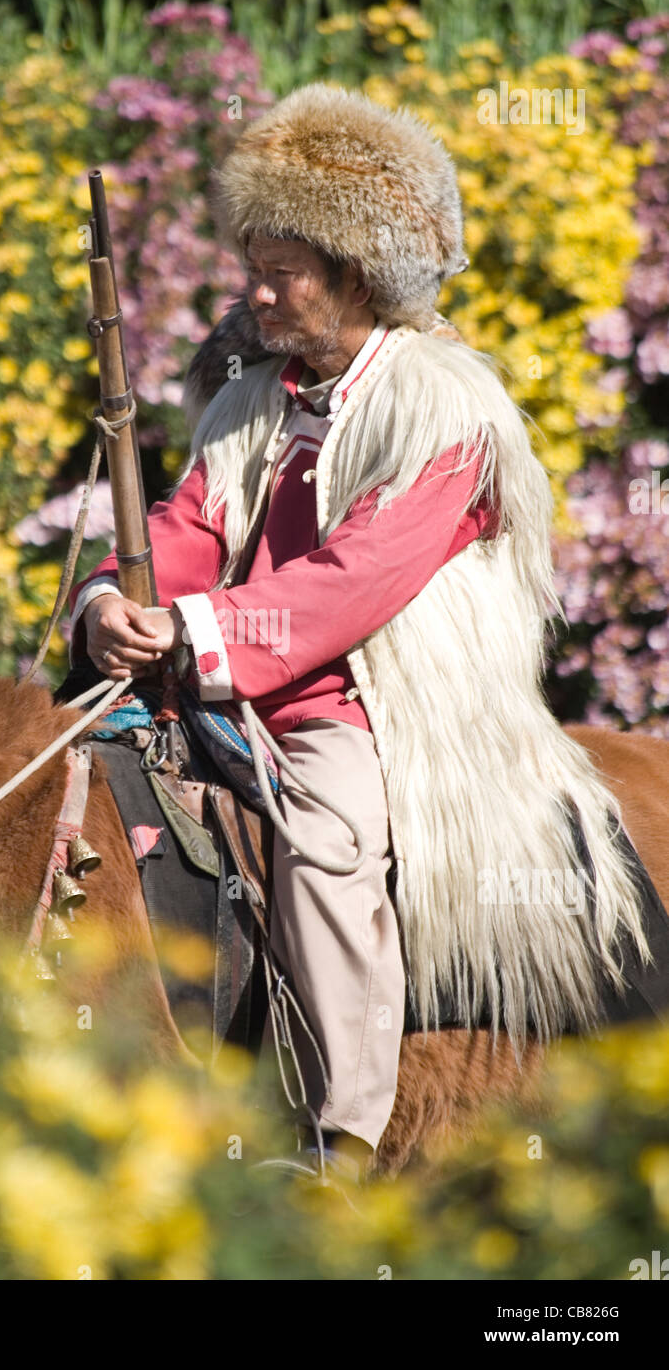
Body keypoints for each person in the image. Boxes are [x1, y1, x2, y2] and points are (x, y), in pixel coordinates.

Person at [66, 83, 654, 1180]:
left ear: (353, 268)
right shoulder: (252, 398)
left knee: (327, 841)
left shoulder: (449, 411)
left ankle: (341, 1139)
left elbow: (354, 582)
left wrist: (192, 628)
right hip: (225, 673)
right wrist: (110, 602)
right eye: (256, 262)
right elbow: (185, 525)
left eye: (279, 268)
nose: (256, 291)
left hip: (358, 706)